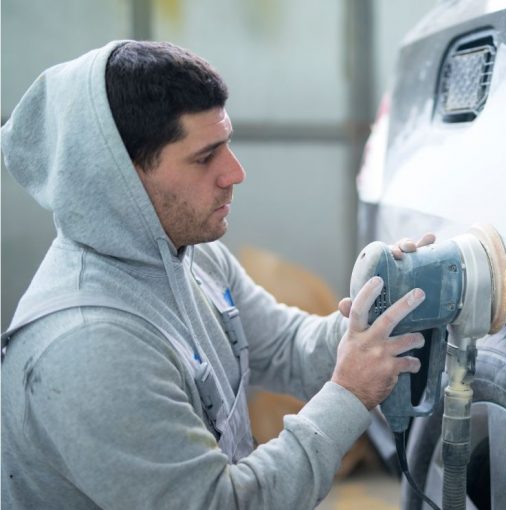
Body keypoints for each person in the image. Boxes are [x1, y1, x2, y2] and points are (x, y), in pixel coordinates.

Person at [1, 40, 434, 509]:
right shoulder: (89, 345)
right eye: (205, 157)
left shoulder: (191, 256)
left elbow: (286, 346)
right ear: (118, 178)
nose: (235, 172)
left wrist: (384, 310)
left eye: (227, 144)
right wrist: (348, 396)